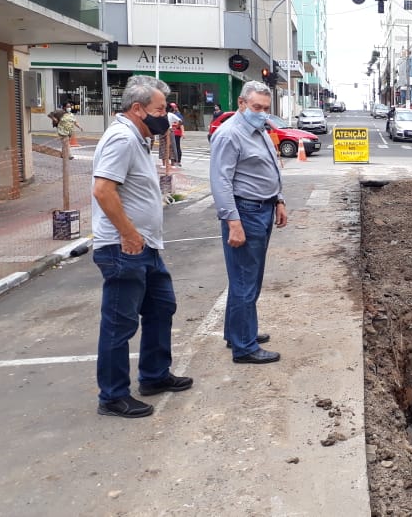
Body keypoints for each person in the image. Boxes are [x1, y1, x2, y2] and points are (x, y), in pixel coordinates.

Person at [91, 75, 193, 418]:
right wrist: (129, 234)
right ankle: (113, 395)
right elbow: (103, 190)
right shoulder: (121, 138)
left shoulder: (137, 138)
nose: (166, 116)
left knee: (161, 307)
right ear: (138, 109)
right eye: (160, 109)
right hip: (125, 248)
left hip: (146, 246)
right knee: (120, 324)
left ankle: (154, 375)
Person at [209, 81, 288, 364]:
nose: (262, 113)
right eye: (256, 107)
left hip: (263, 208)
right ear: (241, 104)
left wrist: (278, 199)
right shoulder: (230, 135)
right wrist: (233, 221)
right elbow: (220, 182)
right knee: (245, 281)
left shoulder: (259, 131)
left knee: (246, 278)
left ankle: (237, 332)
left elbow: (269, 166)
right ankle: (245, 346)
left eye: (266, 108)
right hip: (246, 212)